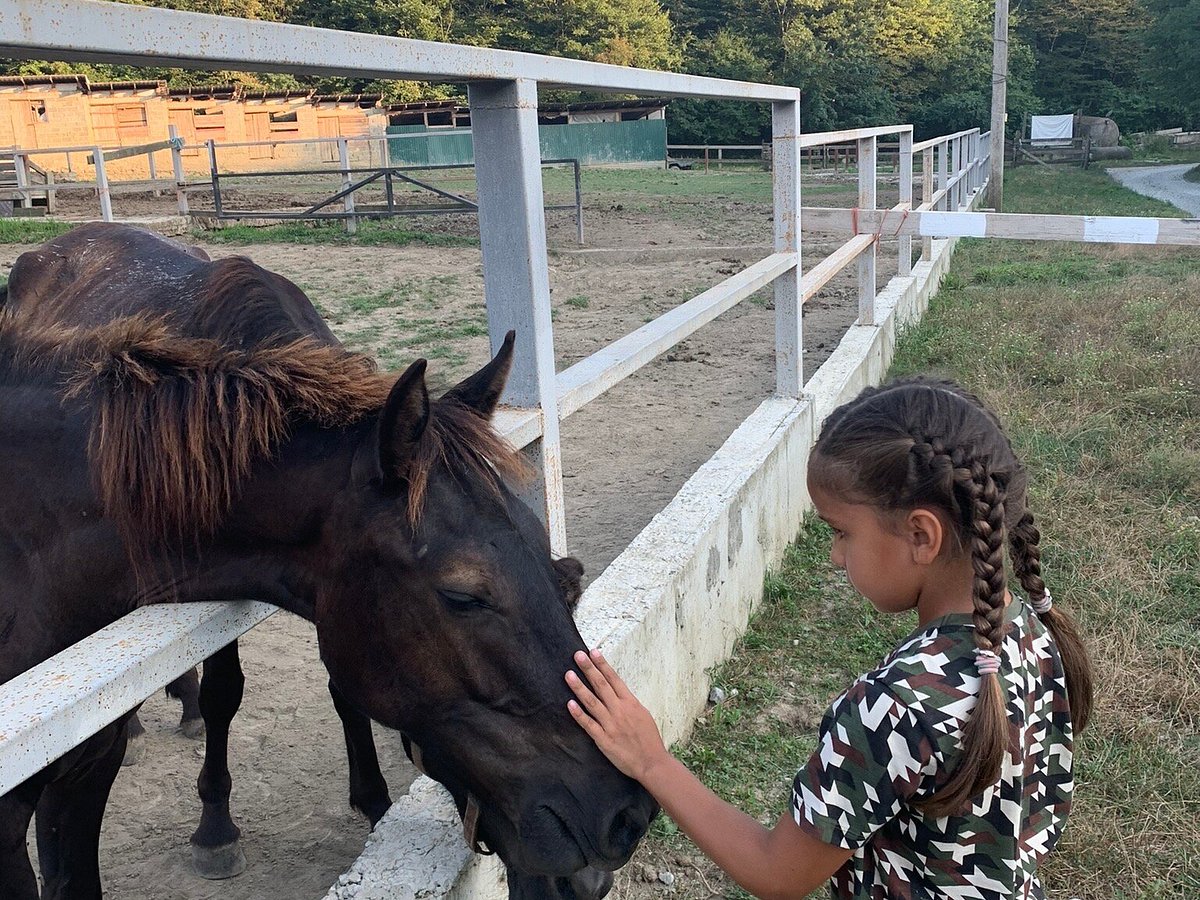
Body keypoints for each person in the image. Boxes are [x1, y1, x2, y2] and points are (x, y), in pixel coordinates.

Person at [565, 376, 1093, 900]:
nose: (836, 556)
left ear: (920, 536)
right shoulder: (1032, 636)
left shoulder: (895, 707)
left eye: (841, 532)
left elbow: (778, 872)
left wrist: (652, 761)